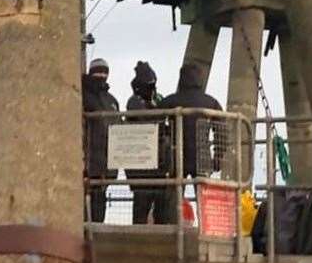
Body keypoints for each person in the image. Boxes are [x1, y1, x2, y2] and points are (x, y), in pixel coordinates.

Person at [157, 63, 223, 223]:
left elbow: (153, 121)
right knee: (204, 197)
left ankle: (172, 229)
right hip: (202, 156)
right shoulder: (211, 102)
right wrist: (218, 156)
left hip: (176, 155)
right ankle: (206, 230)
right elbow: (222, 130)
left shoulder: (171, 101)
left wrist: (165, 135)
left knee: (173, 197)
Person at [125, 61, 166, 225]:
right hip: (142, 162)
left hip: (157, 162)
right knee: (141, 208)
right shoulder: (134, 101)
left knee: (160, 209)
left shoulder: (157, 99)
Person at [82, 58, 120, 223]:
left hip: (106, 161)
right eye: (99, 71)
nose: (102, 75)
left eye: (105, 71)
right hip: (88, 160)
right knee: (86, 202)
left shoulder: (111, 100)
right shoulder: (83, 95)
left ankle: (96, 233)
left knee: (99, 202)